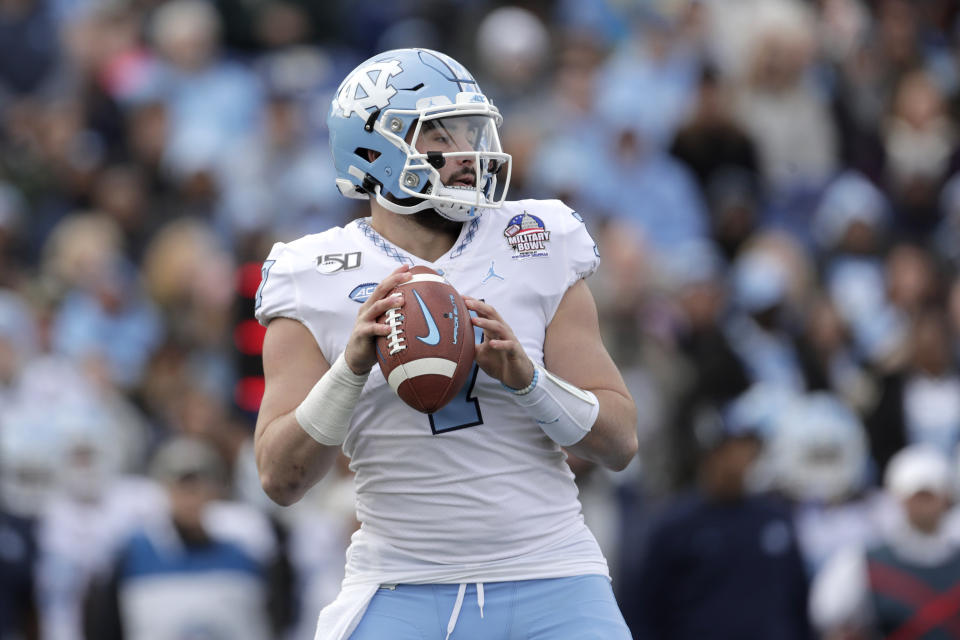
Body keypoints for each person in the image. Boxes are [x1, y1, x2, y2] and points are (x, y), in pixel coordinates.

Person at [253, 48, 638, 640]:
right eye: (439, 132)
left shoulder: (536, 238)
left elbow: (619, 442)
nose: (467, 151)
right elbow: (281, 480)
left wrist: (529, 382)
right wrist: (350, 370)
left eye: (470, 128)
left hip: (555, 573)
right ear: (372, 147)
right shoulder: (312, 272)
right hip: (402, 585)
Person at [620, 406, 811, 640]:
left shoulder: (776, 521)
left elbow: (798, 604)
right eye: (732, 450)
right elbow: (642, 611)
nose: (741, 461)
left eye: (748, 451)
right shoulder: (676, 526)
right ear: (711, 455)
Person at [809, 444, 960, 640]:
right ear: (899, 499)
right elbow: (832, 621)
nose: (924, 506)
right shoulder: (861, 562)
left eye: (930, 496)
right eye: (917, 497)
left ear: (946, 497)